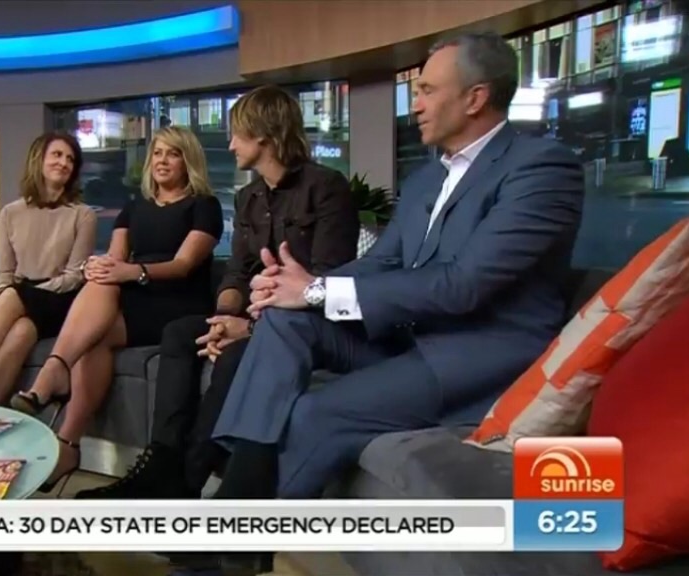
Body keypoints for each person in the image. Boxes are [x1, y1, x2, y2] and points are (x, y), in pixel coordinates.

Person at [210, 28, 583, 535]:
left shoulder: (541, 169)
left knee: (316, 412)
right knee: (282, 320)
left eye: (427, 90)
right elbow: (382, 263)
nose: (416, 105)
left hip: (477, 358)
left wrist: (317, 291)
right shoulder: (427, 178)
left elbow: (464, 284)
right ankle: (236, 498)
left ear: (475, 98)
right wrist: (295, 287)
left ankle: (236, 538)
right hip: (407, 339)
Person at [75, 85, 360, 501]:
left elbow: (326, 283)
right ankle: (161, 462)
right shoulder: (248, 197)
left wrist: (250, 326)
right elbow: (237, 274)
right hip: (251, 314)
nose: (230, 145)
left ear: (263, 135)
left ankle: (186, 481)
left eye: (237, 134)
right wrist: (225, 316)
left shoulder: (327, 187)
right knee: (179, 333)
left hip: (299, 325)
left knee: (233, 356)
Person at [10, 125, 224, 493]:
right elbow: (115, 257)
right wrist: (99, 266)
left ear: (188, 160)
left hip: (178, 301)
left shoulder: (204, 206)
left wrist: (133, 272)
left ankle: (55, 381)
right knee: (96, 316)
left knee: (101, 307)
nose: (162, 161)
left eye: (173, 154)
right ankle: (68, 442)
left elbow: (184, 265)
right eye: (157, 153)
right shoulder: (134, 207)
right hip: (136, 295)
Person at [0, 132, 97, 406]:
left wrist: (20, 294)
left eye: (70, 159)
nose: (64, 163)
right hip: (22, 295)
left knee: (13, 295)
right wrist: (4, 295)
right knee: (21, 332)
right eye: (57, 155)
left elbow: (74, 276)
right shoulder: (11, 213)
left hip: (60, 298)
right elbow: (4, 273)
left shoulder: (83, 215)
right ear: (39, 159)